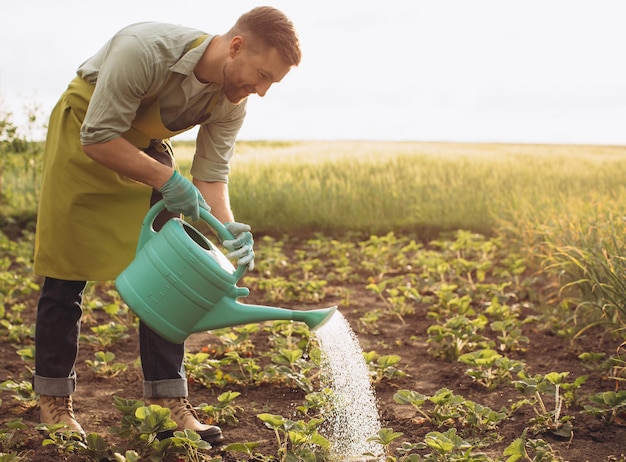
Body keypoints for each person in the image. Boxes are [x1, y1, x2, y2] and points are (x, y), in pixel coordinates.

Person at [32, 7, 301, 443]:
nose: (263, 91)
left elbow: (211, 175)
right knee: (66, 273)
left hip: (143, 153)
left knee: (172, 273)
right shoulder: (145, 51)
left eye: (272, 82)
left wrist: (227, 231)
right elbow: (99, 136)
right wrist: (166, 177)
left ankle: (165, 402)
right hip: (85, 138)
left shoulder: (233, 101)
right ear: (236, 46)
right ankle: (54, 400)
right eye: (263, 75)